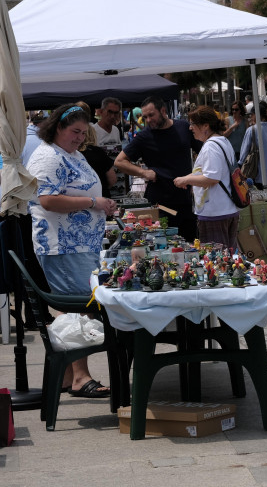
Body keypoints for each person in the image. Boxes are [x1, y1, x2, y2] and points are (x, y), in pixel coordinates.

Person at [25, 104, 119, 398]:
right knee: (79, 308)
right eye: (75, 132)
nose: (80, 137)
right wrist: (93, 204)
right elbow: (48, 200)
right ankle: (80, 377)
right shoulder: (47, 157)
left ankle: (68, 377)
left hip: (78, 244)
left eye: (83, 132)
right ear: (57, 128)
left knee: (73, 307)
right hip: (63, 245)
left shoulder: (70, 154)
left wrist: (101, 203)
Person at [114, 97, 202, 241]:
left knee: (190, 245)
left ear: (163, 111)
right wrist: (143, 172)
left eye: (151, 115)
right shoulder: (144, 136)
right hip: (159, 204)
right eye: (145, 117)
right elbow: (119, 161)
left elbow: (203, 151)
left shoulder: (183, 127)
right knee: (162, 247)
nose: (148, 120)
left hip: (186, 201)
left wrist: (197, 178)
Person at [173, 106, 240, 250]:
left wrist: (186, 180)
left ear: (205, 126)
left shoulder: (211, 146)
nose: (190, 128)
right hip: (225, 209)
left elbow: (212, 178)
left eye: (193, 124)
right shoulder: (222, 141)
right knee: (229, 259)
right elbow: (212, 173)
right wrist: (187, 178)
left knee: (217, 261)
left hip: (215, 213)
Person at [76, 102, 117, 200]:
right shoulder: (98, 153)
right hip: (101, 200)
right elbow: (112, 180)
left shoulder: (70, 154)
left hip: (80, 202)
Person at [238, 102, 267, 194]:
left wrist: (240, 166)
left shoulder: (252, 130)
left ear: (257, 115)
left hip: (256, 172)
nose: (251, 118)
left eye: (252, 115)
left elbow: (243, 154)